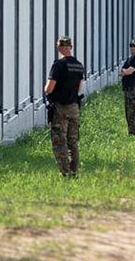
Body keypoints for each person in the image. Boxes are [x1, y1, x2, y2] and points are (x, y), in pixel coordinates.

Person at [44, 36, 85, 177]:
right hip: (74, 107)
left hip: (61, 108)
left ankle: (65, 173)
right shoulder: (78, 65)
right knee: (73, 141)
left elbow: (49, 88)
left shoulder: (58, 65)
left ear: (59, 47)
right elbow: (80, 88)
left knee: (60, 141)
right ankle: (74, 171)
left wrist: (45, 89)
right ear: (71, 47)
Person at [119, 40, 135, 136]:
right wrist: (124, 71)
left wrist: (124, 71)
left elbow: (129, 71)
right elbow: (121, 71)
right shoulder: (130, 59)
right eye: (131, 46)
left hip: (133, 87)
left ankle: (134, 132)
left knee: (133, 110)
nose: (132, 48)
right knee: (127, 111)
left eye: (134, 46)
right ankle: (130, 131)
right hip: (127, 87)